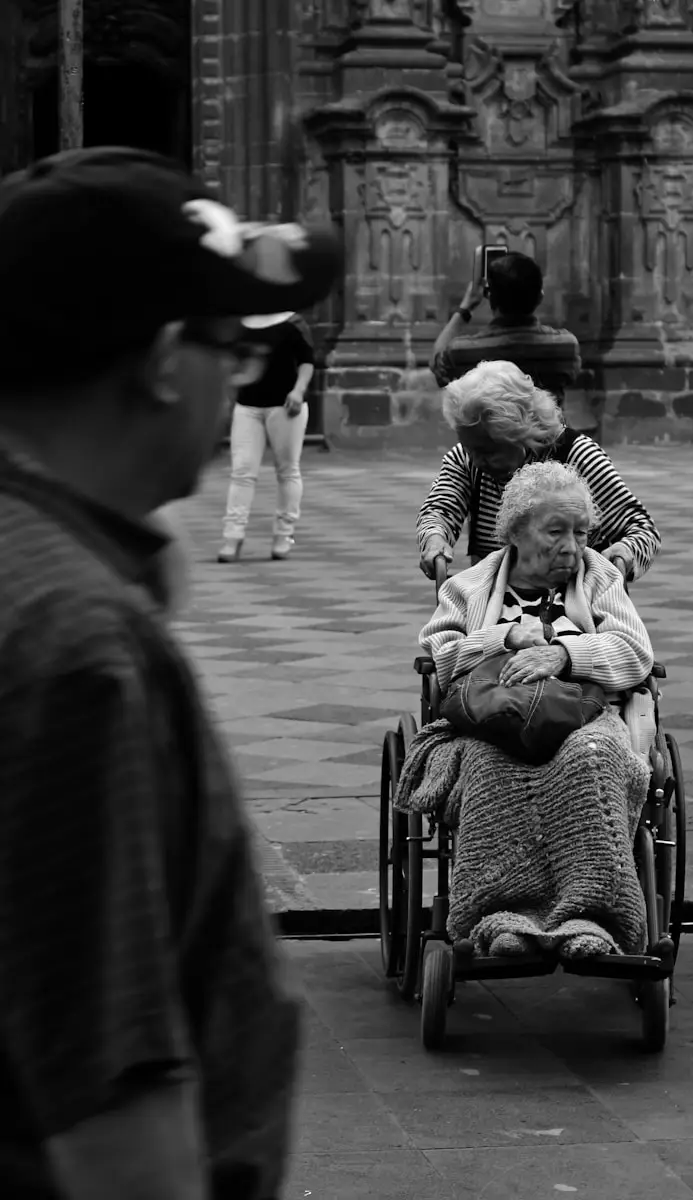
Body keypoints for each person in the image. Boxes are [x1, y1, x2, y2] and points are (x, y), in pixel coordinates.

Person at [0, 146, 343, 1200]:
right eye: (230, 346)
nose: (240, 372)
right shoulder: (77, 643)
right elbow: (113, 1090)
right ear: (159, 361)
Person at [398, 461, 655, 959]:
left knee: (594, 755)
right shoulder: (469, 586)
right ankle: (498, 915)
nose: (571, 546)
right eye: (555, 531)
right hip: (493, 721)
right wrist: (506, 637)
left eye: (581, 533)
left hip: (583, 715)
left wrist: (565, 654)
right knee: (490, 766)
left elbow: (635, 652)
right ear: (515, 530)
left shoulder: (598, 576)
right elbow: (441, 657)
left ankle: (590, 918)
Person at [417, 360, 661, 582]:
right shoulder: (466, 457)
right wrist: (435, 539)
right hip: (493, 600)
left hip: (574, 601)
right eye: (471, 448)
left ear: (522, 433)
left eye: (490, 451)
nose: (478, 460)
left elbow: (641, 528)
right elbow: (440, 509)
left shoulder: (578, 456)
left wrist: (624, 552)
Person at [218, 311, 315, 563]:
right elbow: (231, 361)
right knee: (242, 471)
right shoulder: (241, 322)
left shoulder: (292, 322)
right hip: (247, 406)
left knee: (287, 470)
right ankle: (232, 536)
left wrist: (298, 390)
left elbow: (307, 360)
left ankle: (284, 534)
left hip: (284, 406)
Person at [430, 251, 581, 402]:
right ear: (540, 296)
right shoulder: (565, 346)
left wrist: (465, 307)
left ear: (489, 296)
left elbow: (438, 366)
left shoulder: (462, 352)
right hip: (546, 426)